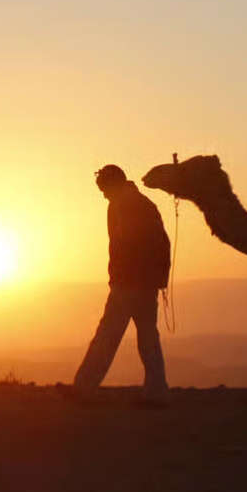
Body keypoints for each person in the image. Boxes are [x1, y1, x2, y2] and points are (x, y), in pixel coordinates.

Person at [66, 164, 171, 406]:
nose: (103, 195)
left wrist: (119, 277)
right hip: (146, 284)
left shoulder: (123, 205)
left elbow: (125, 244)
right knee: (148, 337)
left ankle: (83, 389)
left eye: (104, 189)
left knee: (107, 335)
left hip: (128, 283)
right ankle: (157, 392)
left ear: (112, 184)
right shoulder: (144, 204)